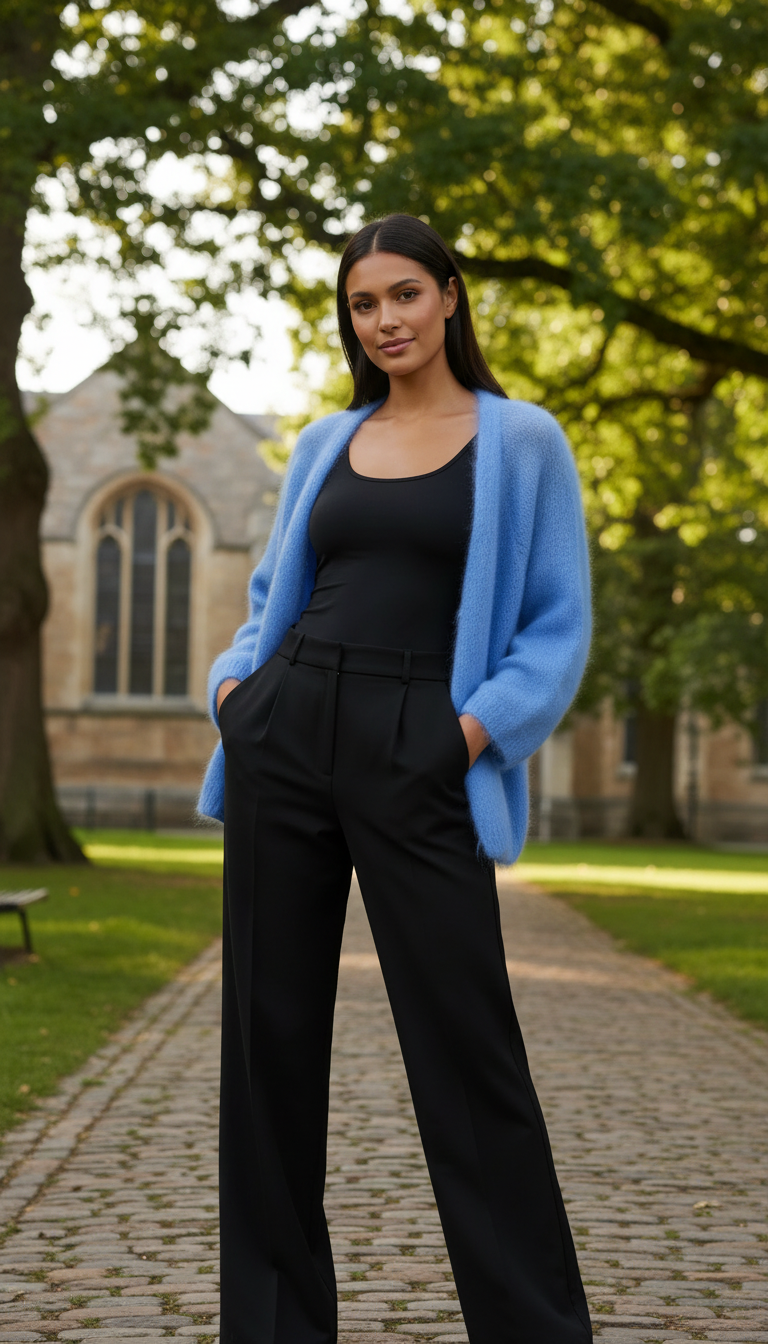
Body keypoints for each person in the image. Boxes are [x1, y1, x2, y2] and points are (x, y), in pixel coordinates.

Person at [198, 212, 593, 1344]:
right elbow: (273, 588)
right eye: (365, 304)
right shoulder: (327, 438)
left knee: (470, 1054)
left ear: (453, 297)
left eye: (406, 295)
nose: (386, 322)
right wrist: (237, 694)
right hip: (286, 729)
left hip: (422, 740)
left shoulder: (522, 441)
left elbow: (554, 628)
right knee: (267, 1053)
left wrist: (469, 734)